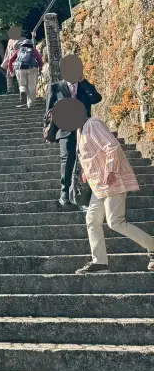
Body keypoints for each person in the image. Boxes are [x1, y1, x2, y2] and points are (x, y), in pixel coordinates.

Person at [75, 116, 154, 274]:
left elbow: (112, 146)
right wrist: (85, 171)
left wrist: (110, 169)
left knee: (115, 221)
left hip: (112, 180)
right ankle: (100, 263)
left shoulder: (93, 124)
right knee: (92, 220)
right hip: (98, 185)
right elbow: (91, 156)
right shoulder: (79, 130)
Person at [47, 55, 102, 209]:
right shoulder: (55, 87)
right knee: (67, 159)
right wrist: (50, 131)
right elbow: (48, 111)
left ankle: (82, 196)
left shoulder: (84, 86)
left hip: (84, 129)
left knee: (85, 160)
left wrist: (84, 81)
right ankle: (64, 193)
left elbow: (97, 99)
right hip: (64, 130)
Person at [7, 34, 43, 108]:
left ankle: (23, 90)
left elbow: (10, 60)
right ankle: (30, 104)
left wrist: (11, 71)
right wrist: (40, 66)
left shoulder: (18, 51)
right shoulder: (33, 50)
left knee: (23, 84)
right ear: (31, 44)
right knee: (32, 86)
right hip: (32, 68)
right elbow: (39, 58)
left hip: (20, 69)